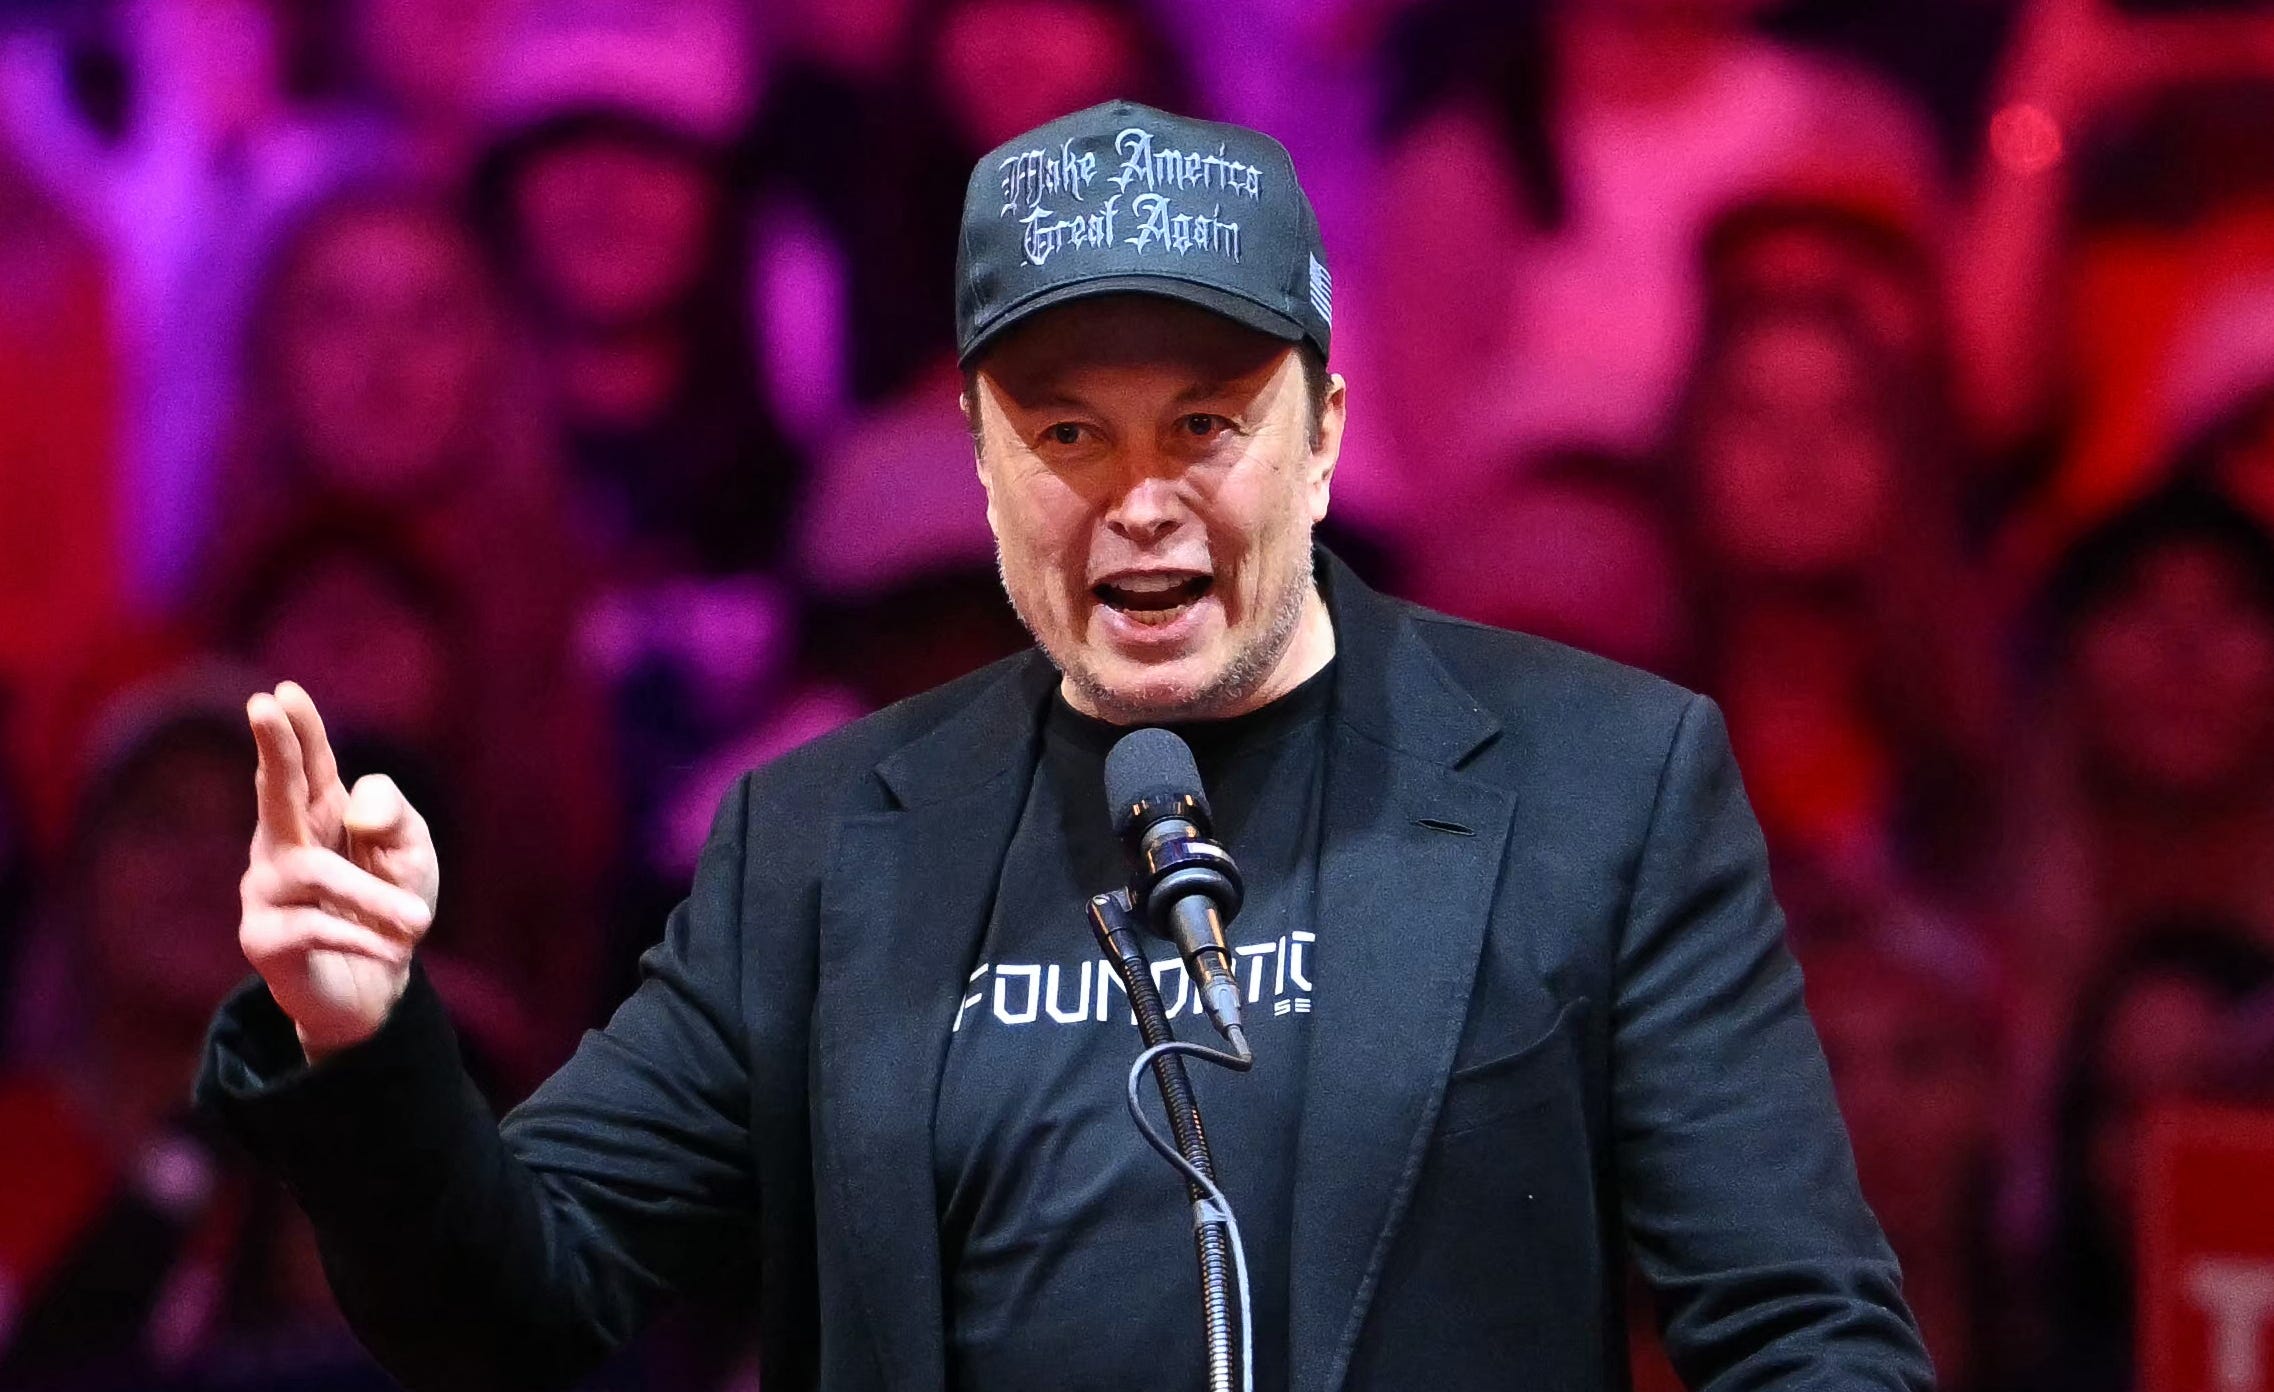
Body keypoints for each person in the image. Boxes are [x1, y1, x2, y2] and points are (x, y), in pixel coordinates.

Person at [195, 101, 1930, 1391]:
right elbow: (512, 1300)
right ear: (979, 459)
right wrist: (366, 1046)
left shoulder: (1598, 785)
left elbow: (1795, 1327)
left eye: (1205, 423)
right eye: (1066, 432)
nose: (1141, 501)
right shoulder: (816, 844)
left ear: (1324, 434)